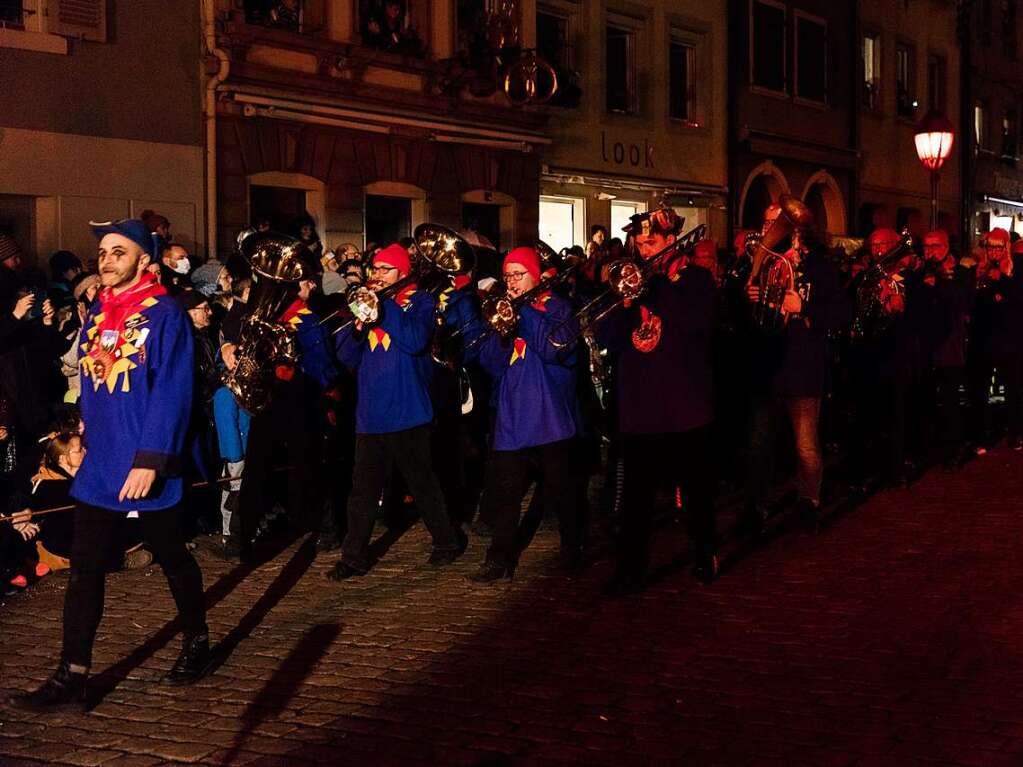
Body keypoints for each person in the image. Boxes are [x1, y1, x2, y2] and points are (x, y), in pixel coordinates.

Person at [11, 218, 210, 714]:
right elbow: (96, 386)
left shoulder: (166, 314)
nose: (106, 259)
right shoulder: (98, 309)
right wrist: (81, 439)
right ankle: (71, 673)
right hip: (101, 465)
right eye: (102, 251)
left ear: (145, 259)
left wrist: (151, 460)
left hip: (146, 463)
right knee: (85, 572)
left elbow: (173, 392)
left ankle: (197, 639)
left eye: (118, 251)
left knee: (173, 559)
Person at [595, 208, 719, 594]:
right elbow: (605, 336)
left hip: (684, 404)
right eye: (640, 243)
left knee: (696, 489)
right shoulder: (629, 282)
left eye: (652, 243)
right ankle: (631, 570)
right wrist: (625, 304)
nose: (644, 250)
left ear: (670, 241)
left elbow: (700, 324)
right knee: (636, 497)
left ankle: (704, 552)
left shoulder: (695, 279)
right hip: (641, 406)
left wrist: (657, 290)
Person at [328, 244, 467, 580]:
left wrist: (383, 306)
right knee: (362, 490)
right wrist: (359, 328)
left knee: (422, 484)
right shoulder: (365, 303)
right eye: (374, 269)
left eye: (384, 270)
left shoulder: (420, 301)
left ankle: (446, 541)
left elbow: (415, 340)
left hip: (408, 411)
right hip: (371, 415)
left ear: (402, 273)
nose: (376, 276)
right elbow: (346, 357)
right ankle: (354, 555)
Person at [470, 247, 583, 582]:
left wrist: (524, 313)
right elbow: (490, 364)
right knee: (507, 494)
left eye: (519, 274)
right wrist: (502, 334)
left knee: (563, 491)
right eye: (508, 275)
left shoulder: (559, 308)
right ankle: (499, 559)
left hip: (549, 417)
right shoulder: (502, 311)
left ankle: (573, 548)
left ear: (536, 276)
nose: (512, 282)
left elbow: (553, 349)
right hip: (512, 417)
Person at [228, 239, 338, 561]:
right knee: (257, 469)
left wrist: (295, 356)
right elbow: (236, 327)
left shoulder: (308, 320)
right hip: (269, 397)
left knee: (308, 466)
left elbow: (325, 369)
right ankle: (240, 537)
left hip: (300, 399)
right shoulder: (262, 314)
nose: (309, 286)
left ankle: (326, 527)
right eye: (305, 281)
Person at [743, 224, 848, 534]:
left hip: (802, 368)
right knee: (759, 443)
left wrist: (805, 308)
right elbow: (746, 318)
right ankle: (757, 505)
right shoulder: (765, 264)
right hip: (769, 367)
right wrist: (749, 294)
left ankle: (808, 501)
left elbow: (841, 313)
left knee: (805, 445)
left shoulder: (821, 268)